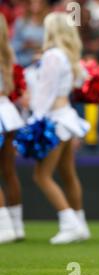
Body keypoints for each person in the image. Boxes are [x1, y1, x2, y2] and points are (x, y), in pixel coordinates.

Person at [27, 12, 91, 244]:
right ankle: (80, 223)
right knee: (67, 173)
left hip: (53, 120)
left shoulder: (53, 56)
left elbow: (45, 92)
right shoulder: (67, 56)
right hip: (66, 118)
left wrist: (35, 120)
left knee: (41, 175)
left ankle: (69, 223)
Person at [0, 14, 25, 244]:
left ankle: (4, 227)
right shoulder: (7, 51)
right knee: (8, 172)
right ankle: (17, 226)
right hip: (8, 114)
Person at [11, 0, 48, 67]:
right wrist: (24, 45)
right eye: (32, 2)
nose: (35, 5)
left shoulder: (47, 22)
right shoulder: (20, 22)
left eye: (38, 2)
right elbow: (13, 45)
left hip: (42, 62)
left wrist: (39, 46)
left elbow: (51, 43)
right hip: (22, 62)